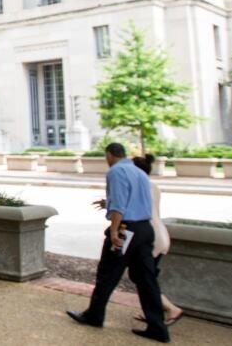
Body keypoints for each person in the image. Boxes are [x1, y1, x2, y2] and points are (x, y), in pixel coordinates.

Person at [67, 143, 170, 343]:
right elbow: (137, 200)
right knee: (146, 279)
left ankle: (94, 316)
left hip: (126, 230)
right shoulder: (138, 172)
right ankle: (158, 327)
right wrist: (109, 203)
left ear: (109, 155)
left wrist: (114, 230)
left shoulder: (116, 171)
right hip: (144, 229)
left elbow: (121, 204)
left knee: (107, 273)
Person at [131, 155, 183, 327]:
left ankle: (170, 309)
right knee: (144, 276)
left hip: (149, 238)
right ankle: (155, 313)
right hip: (161, 235)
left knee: (144, 278)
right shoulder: (153, 186)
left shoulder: (137, 187)